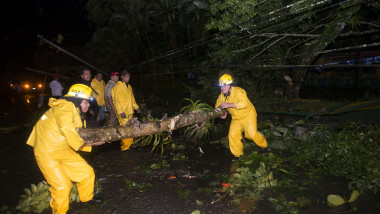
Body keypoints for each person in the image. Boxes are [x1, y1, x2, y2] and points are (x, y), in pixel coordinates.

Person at [26, 84, 104, 214]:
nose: (88, 105)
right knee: (62, 186)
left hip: (63, 149)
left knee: (86, 172)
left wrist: (91, 142)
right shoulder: (66, 107)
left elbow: (76, 134)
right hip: (47, 153)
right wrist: (82, 144)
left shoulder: (74, 111)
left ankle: (86, 198)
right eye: (86, 102)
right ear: (78, 101)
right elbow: (66, 128)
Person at [215, 72, 268, 158]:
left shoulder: (239, 91)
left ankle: (264, 146)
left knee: (251, 135)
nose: (222, 88)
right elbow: (218, 106)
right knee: (232, 136)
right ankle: (237, 155)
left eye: (224, 85)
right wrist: (222, 114)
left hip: (248, 115)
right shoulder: (221, 96)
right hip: (236, 118)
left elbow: (244, 104)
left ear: (230, 85)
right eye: (221, 86)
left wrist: (228, 105)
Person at [112, 70, 140, 151]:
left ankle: (129, 144)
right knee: (125, 129)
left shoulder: (129, 87)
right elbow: (116, 101)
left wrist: (136, 107)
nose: (128, 79)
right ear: (122, 77)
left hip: (129, 111)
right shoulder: (117, 87)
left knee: (130, 128)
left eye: (129, 77)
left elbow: (132, 99)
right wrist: (120, 112)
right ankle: (125, 147)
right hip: (123, 112)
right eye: (126, 77)